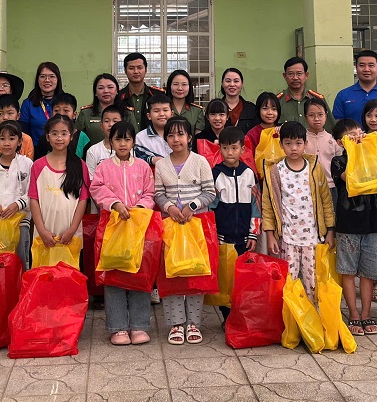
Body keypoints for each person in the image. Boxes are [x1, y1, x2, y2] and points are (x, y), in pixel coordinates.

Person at [90, 120, 155, 346]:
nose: (123, 143)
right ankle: (117, 327)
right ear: (111, 142)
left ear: (134, 141)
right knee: (114, 274)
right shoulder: (104, 167)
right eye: (118, 139)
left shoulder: (143, 167)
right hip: (113, 227)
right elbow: (97, 189)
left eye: (127, 139)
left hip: (138, 227)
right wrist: (115, 204)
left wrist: (140, 209)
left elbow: (150, 192)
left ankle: (139, 325)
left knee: (139, 272)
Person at [153, 117, 217, 345]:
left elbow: (210, 192)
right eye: (171, 135)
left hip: (196, 226)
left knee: (195, 272)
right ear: (166, 138)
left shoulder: (200, 161)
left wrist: (192, 206)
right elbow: (158, 193)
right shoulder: (161, 165)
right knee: (172, 272)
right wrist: (169, 207)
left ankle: (193, 324)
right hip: (170, 227)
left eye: (181, 134)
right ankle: (176, 324)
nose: (176, 139)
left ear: (190, 137)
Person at [262, 121, 335, 303]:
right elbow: (268, 206)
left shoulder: (314, 168)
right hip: (287, 238)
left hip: (312, 237)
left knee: (312, 283)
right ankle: (291, 323)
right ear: (281, 145)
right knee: (289, 282)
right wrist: (270, 235)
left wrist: (330, 231)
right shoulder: (275, 171)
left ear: (305, 144)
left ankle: (312, 322)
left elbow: (326, 200)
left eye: (298, 143)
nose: (293, 148)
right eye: (288, 143)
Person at [330, 118, 377, 335]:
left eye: (358, 133)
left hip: (371, 223)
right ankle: (353, 313)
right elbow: (352, 178)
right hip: (347, 224)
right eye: (350, 135)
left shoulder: (374, 157)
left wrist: (370, 148)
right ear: (339, 141)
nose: (357, 138)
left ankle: (366, 314)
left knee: (369, 272)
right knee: (347, 270)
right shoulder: (338, 162)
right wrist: (357, 150)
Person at [209, 125, 261, 323]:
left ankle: (241, 314)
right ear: (219, 149)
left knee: (242, 278)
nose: (229, 152)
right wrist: (214, 234)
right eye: (225, 148)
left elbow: (256, 207)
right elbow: (211, 207)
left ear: (243, 150)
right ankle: (227, 317)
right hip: (223, 236)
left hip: (245, 239)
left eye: (234, 148)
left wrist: (253, 234)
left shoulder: (249, 174)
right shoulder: (216, 174)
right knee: (225, 278)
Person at [29, 115, 91, 266]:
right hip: (44, 235)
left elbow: (83, 200)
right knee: (43, 278)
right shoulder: (38, 165)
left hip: (70, 235)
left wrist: (72, 230)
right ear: (47, 137)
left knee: (68, 278)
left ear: (71, 136)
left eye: (64, 133)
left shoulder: (79, 165)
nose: (59, 138)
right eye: (54, 133)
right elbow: (33, 199)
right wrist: (42, 231)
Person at [0, 120, 33, 269]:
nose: (7, 143)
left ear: (20, 141)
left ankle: (19, 290)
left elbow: (33, 192)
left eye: (12, 138)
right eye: (2, 139)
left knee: (19, 259)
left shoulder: (27, 164)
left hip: (20, 221)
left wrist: (18, 204)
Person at [332, 50, 377, 126]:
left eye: (371, 65)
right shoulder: (343, 95)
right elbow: (337, 124)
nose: (366, 69)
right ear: (356, 68)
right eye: (362, 65)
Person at [76, 73, 133, 148]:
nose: (106, 91)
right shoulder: (86, 113)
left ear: (117, 91)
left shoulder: (127, 113)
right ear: (95, 92)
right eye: (101, 88)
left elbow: (134, 137)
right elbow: (78, 140)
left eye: (110, 87)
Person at [0, 95, 36, 162]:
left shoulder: (26, 140)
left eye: (10, 113)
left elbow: (28, 167)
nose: (5, 117)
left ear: (18, 116)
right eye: (0, 114)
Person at [304, 97, 340, 203]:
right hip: (308, 186)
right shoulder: (301, 139)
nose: (316, 118)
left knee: (331, 218)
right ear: (306, 117)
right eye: (311, 115)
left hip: (331, 186)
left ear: (326, 116)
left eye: (320, 114)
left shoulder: (333, 140)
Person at [34, 93, 90, 159]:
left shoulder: (83, 138)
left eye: (66, 110)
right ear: (52, 113)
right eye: (56, 111)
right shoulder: (45, 137)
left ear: (74, 115)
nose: (61, 114)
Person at [20, 62, 63, 147]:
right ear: (37, 80)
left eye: (52, 76)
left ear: (58, 79)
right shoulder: (28, 104)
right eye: (42, 76)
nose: (47, 80)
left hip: (62, 150)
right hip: (36, 152)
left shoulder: (65, 102)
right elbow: (24, 135)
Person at [277, 57, 328, 127]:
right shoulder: (277, 101)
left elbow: (331, 128)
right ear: (284, 76)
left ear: (306, 75)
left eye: (299, 73)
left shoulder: (318, 99)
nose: (295, 77)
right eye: (290, 74)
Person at [118, 53, 162, 131]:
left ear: (145, 70)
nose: (136, 71)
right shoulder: (118, 96)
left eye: (139, 68)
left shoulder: (157, 95)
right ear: (125, 71)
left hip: (151, 141)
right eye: (131, 68)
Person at [85, 105, 125, 180]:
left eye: (115, 121)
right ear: (101, 126)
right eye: (106, 121)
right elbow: (91, 180)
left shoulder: (129, 149)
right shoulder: (93, 151)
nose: (111, 125)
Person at [134, 92, 172, 166]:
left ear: (172, 114)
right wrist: (151, 159)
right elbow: (136, 159)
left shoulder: (179, 135)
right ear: (149, 116)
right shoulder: (140, 137)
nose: (161, 114)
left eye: (165, 110)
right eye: (156, 111)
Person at [244, 91, 281, 164]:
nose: (270, 112)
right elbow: (249, 159)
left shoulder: (282, 130)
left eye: (274, 109)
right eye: (265, 108)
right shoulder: (252, 134)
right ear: (258, 110)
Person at [219, 68, 258, 133]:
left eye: (236, 81)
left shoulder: (251, 109)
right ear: (222, 83)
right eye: (228, 81)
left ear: (242, 84)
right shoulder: (214, 108)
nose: (232, 84)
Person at [166, 69, 205, 134]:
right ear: (169, 86)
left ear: (189, 87)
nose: (180, 88)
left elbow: (198, 136)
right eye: (176, 84)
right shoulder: (163, 109)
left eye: (184, 84)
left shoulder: (197, 111)